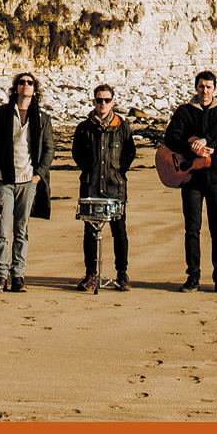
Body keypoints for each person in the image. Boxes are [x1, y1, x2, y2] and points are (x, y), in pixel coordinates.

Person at [163, 70, 217, 293]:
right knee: (192, 229)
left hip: (216, 178)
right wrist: (191, 147)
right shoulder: (184, 112)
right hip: (190, 179)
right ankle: (193, 277)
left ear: (214, 89)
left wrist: (210, 143)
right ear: (195, 88)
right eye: (200, 87)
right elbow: (170, 138)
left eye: (208, 87)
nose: (204, 91)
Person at [0, 72, 54, 293]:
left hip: (28, 181)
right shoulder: (1, 113)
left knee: (21, 230)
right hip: (4, 181)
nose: (25, 86)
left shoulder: (42, 118)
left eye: (29, 83)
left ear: (34, 89)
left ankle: (18, 275)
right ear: (16, 87)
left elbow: (49, 149)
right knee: (2, 229)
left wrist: (38, 174)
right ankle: (1, 275)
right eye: (22, 82)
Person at [71, 83, 137, 291]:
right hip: (91, 186)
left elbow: (130, 152)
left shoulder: (122, 126)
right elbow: (77, 153)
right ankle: (91, 274)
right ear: (94, 102)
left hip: (115, 187)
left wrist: (117, 171)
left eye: (107, 100)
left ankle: (122, 274)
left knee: (119, 232)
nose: (103, 104)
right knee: (90, 232)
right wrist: (89, 169)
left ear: (113, 102)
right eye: (99, 100)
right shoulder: (84, 127)